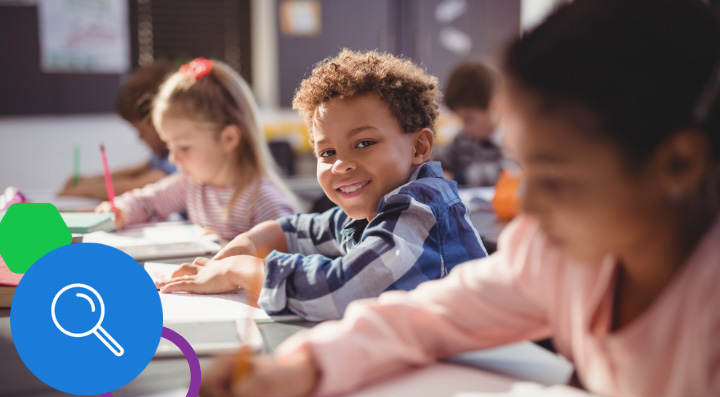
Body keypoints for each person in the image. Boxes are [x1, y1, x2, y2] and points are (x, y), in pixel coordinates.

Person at [197, 0, 720, 397]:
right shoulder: (554, 254)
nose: (527, 205)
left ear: (677, 164)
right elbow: (428, 317)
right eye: (524, 166)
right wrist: (307, 365)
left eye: (556, 176)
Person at [155, 50, 488, 320]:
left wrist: (240, 269)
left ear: (419, 147)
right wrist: (241, 247)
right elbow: (296, 230)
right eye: (327, 152)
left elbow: (341, 292)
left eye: (364, 143)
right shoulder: (368, 209)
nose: (340, 164)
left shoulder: (420, 210)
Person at [96, 58, 296, 241]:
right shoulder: (192, 186)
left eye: (183, 147)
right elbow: (146, 202)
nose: (173, 159)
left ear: (228, 138)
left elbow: (286, 266)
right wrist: (120, 210)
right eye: (169, 146)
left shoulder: (265, 204)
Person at [58, 61, 176, 199]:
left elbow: (148, 182)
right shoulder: (162, 154)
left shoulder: (178, 152)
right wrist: (92, 180)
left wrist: (86, 189)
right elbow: (139, 170)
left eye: (142, 131)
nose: (140, 138)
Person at [436, 61, 507, 186]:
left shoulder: (510, 140)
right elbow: (441, 159)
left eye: (468, 119)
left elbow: (505, 173)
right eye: (460, 119)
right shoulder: (464, 138)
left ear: (493, 106)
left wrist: (456, 177)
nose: (464, 127)